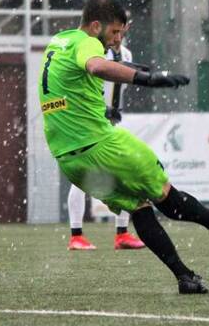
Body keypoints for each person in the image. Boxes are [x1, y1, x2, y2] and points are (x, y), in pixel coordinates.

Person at [39, 0, 209, 294]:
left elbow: (73, 86)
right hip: (102, 146)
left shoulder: (60, 42)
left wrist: (137, 68)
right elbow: (98, 67)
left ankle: (185, 277)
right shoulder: (87, 44)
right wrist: (146, 79)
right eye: (114, 33)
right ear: (95, 25)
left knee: (139, 208)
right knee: (165, 194)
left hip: (71, 161)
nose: (116, 40)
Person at [67, 24, 146, 251]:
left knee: (123, 174)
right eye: (115, 31)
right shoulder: (93, 50)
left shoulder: (127, 53)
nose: (119, 36)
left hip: (112, 122)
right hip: (90, 122)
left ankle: (121, 234)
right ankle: (76, 235)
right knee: (81, 178)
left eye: (123, 31)